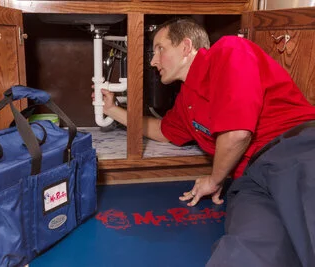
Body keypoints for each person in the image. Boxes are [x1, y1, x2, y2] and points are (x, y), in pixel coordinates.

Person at [95, 18, 315, 267]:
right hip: (251, 182)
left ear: (186, 47)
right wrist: (113, 110)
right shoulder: (186, 98)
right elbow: (163, 131)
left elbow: (237, 133)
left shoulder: (229, 51)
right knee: (241, 253)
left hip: (295, 149)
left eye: (160, 49)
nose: (153, 60)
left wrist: (214, 179)